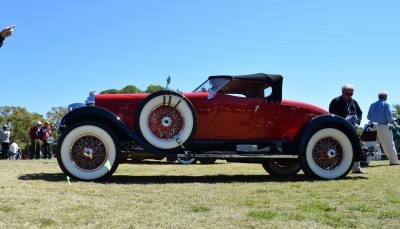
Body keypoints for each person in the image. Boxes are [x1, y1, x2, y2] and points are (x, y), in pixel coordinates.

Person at [329, 84, 365, 173]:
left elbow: (359, 113)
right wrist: (343, 121)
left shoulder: (354, 102)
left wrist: (358, 122)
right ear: (342, 92)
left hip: (352, 128)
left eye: (351, 94)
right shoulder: (335, 101)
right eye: (347, 94)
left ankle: (356, 169)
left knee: (355, 146)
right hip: (339, 128)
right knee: (338, 147)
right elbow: (330, 114)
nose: (349, 96)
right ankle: (335, 168)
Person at [367, 91, 399, 166]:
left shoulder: (372, 105)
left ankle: (365, 160)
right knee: (389, 144)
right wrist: (393, 122)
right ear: (386, 97)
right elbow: (389, 117)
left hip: (372, 126)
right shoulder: (386, 104)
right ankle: (393, 161)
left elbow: (368, 117)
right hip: (383, 126)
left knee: (371, 144)